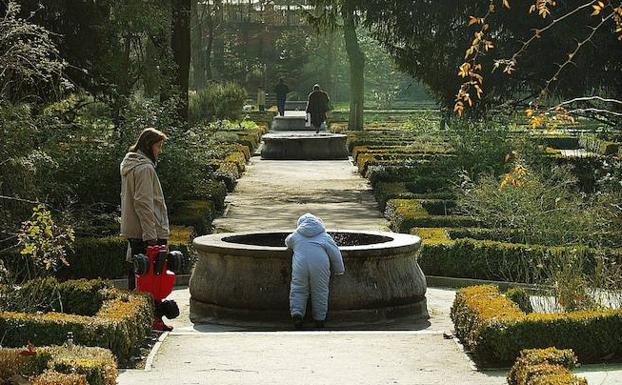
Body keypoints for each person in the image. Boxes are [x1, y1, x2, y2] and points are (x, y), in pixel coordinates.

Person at [120, 128, 170, 293]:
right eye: (158, 146)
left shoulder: (132, 165)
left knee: (136, 276)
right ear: (149, 146)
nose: (159, 151)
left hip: (136, 232)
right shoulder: (144, 168)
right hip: (148, 233)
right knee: (150, 282)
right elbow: (143, 204)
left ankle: (137, 311)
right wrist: (151, 236)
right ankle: (151, 315)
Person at [285, 213, 345, 329]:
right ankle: (319, 319)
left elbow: (288, 242)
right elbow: (335, 253)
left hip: (300, 265)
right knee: (320, 290)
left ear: (300, 225)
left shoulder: (296, 235)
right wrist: (339, 269)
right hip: (320, 264)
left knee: (298, 288)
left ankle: (297, 314)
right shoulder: (325, 236)